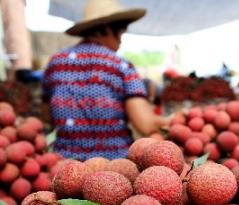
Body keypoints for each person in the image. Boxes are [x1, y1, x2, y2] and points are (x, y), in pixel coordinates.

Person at [43, 0, 167, 160]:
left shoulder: (56, 62)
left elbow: (46, 115)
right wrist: (172, 120)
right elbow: (145, 124)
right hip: (114, 169)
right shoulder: (121, 65)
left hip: (64, 167)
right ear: (107, 29)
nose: (121, 41)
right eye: (120, 33)